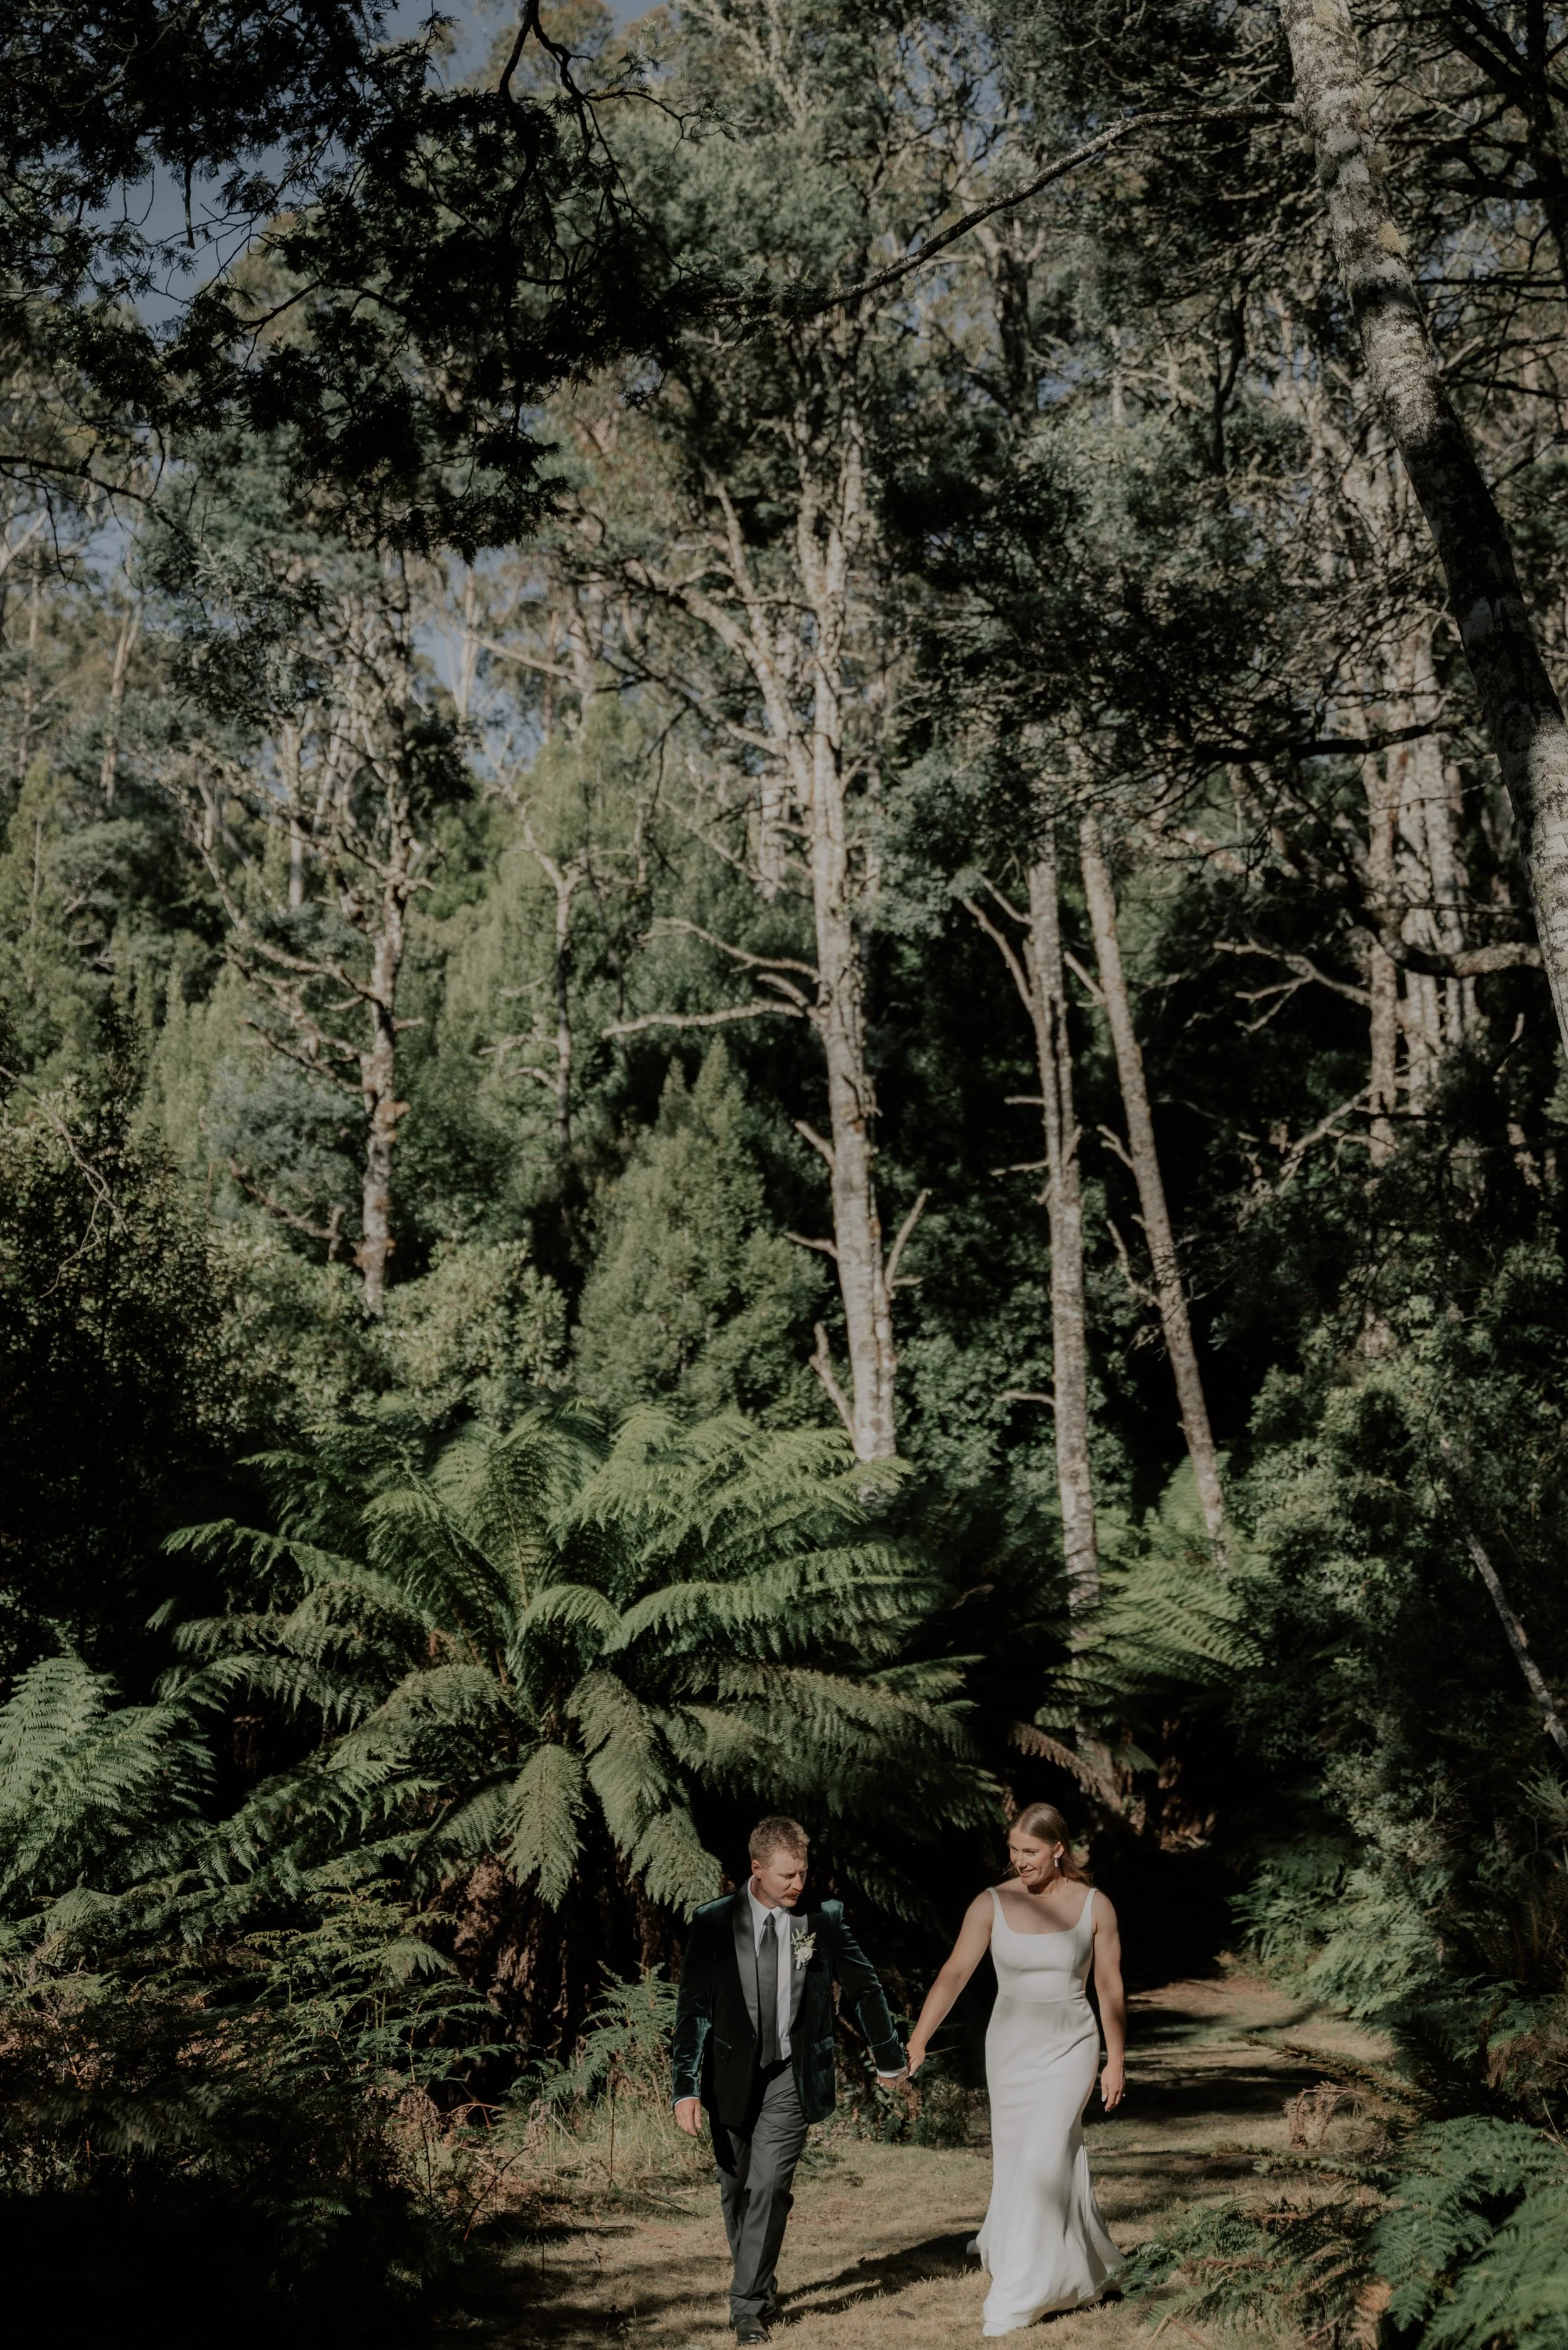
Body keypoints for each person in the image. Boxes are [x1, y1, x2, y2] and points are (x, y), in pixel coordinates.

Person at [670, 1814, 909, 2343]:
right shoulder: (712, 1922)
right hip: (729, 2076)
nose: (798, 1884)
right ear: (756, 1870)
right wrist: (684, 2086)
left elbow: (865, 1987)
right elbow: (693, 2011)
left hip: (791, 2075)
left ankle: (747, 2306)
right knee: (735, 2192)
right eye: (787, 1876)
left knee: (771, 2185)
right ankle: (758, 2278)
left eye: (803, 1872)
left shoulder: (821, 1919)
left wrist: (887, 2055)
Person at [906, 1802, 1126, 2336]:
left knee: (1048, 2156)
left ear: (1058, 1849)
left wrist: (1115, 2059)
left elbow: (1109, 1986)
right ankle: (1073, 2258)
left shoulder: (1096, 1906)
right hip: (1009, 2050)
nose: (1019, 1861)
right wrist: (918, 2038)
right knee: (1018, 2158)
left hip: (1071, 2045)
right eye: (1013, 1851)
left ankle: (1023, 2292)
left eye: (1030, 1851)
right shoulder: (990, 1903)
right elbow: (956, 1971)